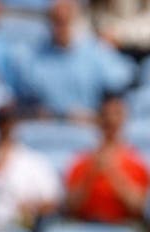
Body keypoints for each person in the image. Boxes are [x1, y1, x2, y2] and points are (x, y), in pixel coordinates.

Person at [64, 94, 150, 224]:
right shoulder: (82, 162)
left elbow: (139, 207)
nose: (111, 119)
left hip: (123, 226)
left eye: (116, 114)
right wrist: (90, 174)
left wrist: (113, 173)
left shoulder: (137, 163)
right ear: (99, 119)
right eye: (106, 114)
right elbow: (71, 207)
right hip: (87, 225)